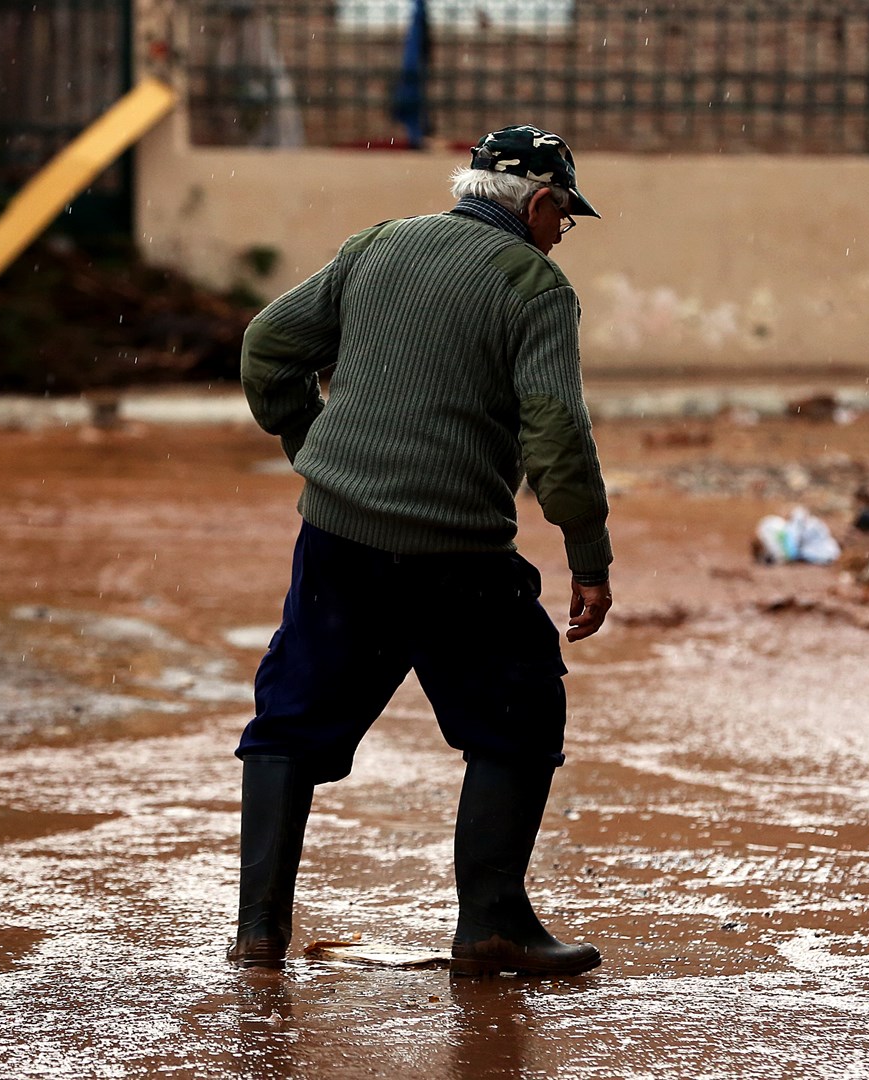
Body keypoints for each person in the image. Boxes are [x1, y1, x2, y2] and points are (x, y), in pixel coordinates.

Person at [231, 125, 613, 977]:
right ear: (541, 203)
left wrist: (313, 443)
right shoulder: (532, 286)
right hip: (457, 552)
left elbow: (268, 347)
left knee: (291, 717)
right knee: (517, 716)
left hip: (339, 536)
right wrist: (588, 554)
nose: (561, 236)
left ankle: (260, 933)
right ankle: (491, 927)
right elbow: (555, 430)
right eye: (565, 220)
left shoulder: (378, 246)